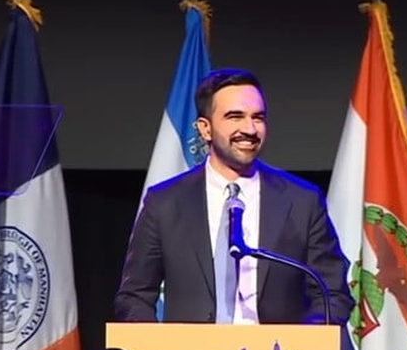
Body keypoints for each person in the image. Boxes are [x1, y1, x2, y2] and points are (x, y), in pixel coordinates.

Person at [114, 68, 355, 324]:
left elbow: (332, 294)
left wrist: (302, 347)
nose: (250, 129)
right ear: (205, 129)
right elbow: (134, 297)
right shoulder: (164, 203)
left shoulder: (302, 201)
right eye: (235, 116)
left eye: (258, 117)